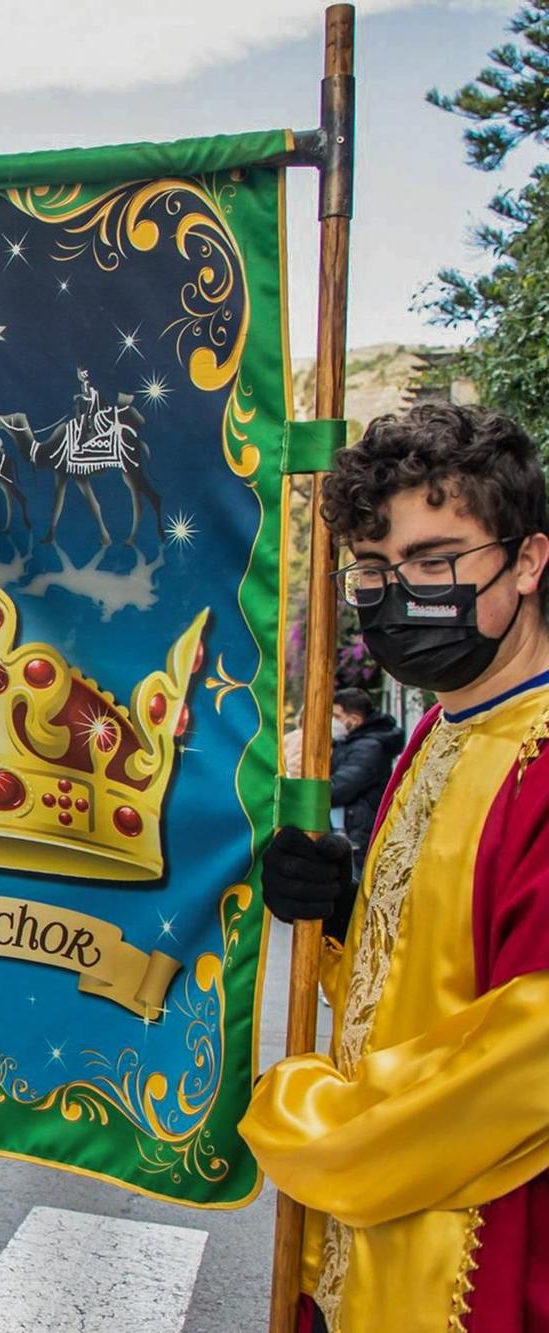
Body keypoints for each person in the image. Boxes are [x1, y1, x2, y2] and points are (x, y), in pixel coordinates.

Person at [239, 404, 549, 1332]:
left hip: (484, 1255)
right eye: (374, 569)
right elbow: (411, 986)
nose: (402, 591)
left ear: (528, 560)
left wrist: (316, 1122)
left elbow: (528, 1055)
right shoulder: (434, 733)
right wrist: (337, 918)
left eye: (436, 560)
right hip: (372, 1250)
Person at [327, 686, 403, 874]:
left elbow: (340, 788)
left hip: (357, 835)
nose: (331, 722)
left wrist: (309, 791)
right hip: (351, 831)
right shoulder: (352, 743)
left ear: (354, 720)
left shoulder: (369, 747)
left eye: (336, 717)